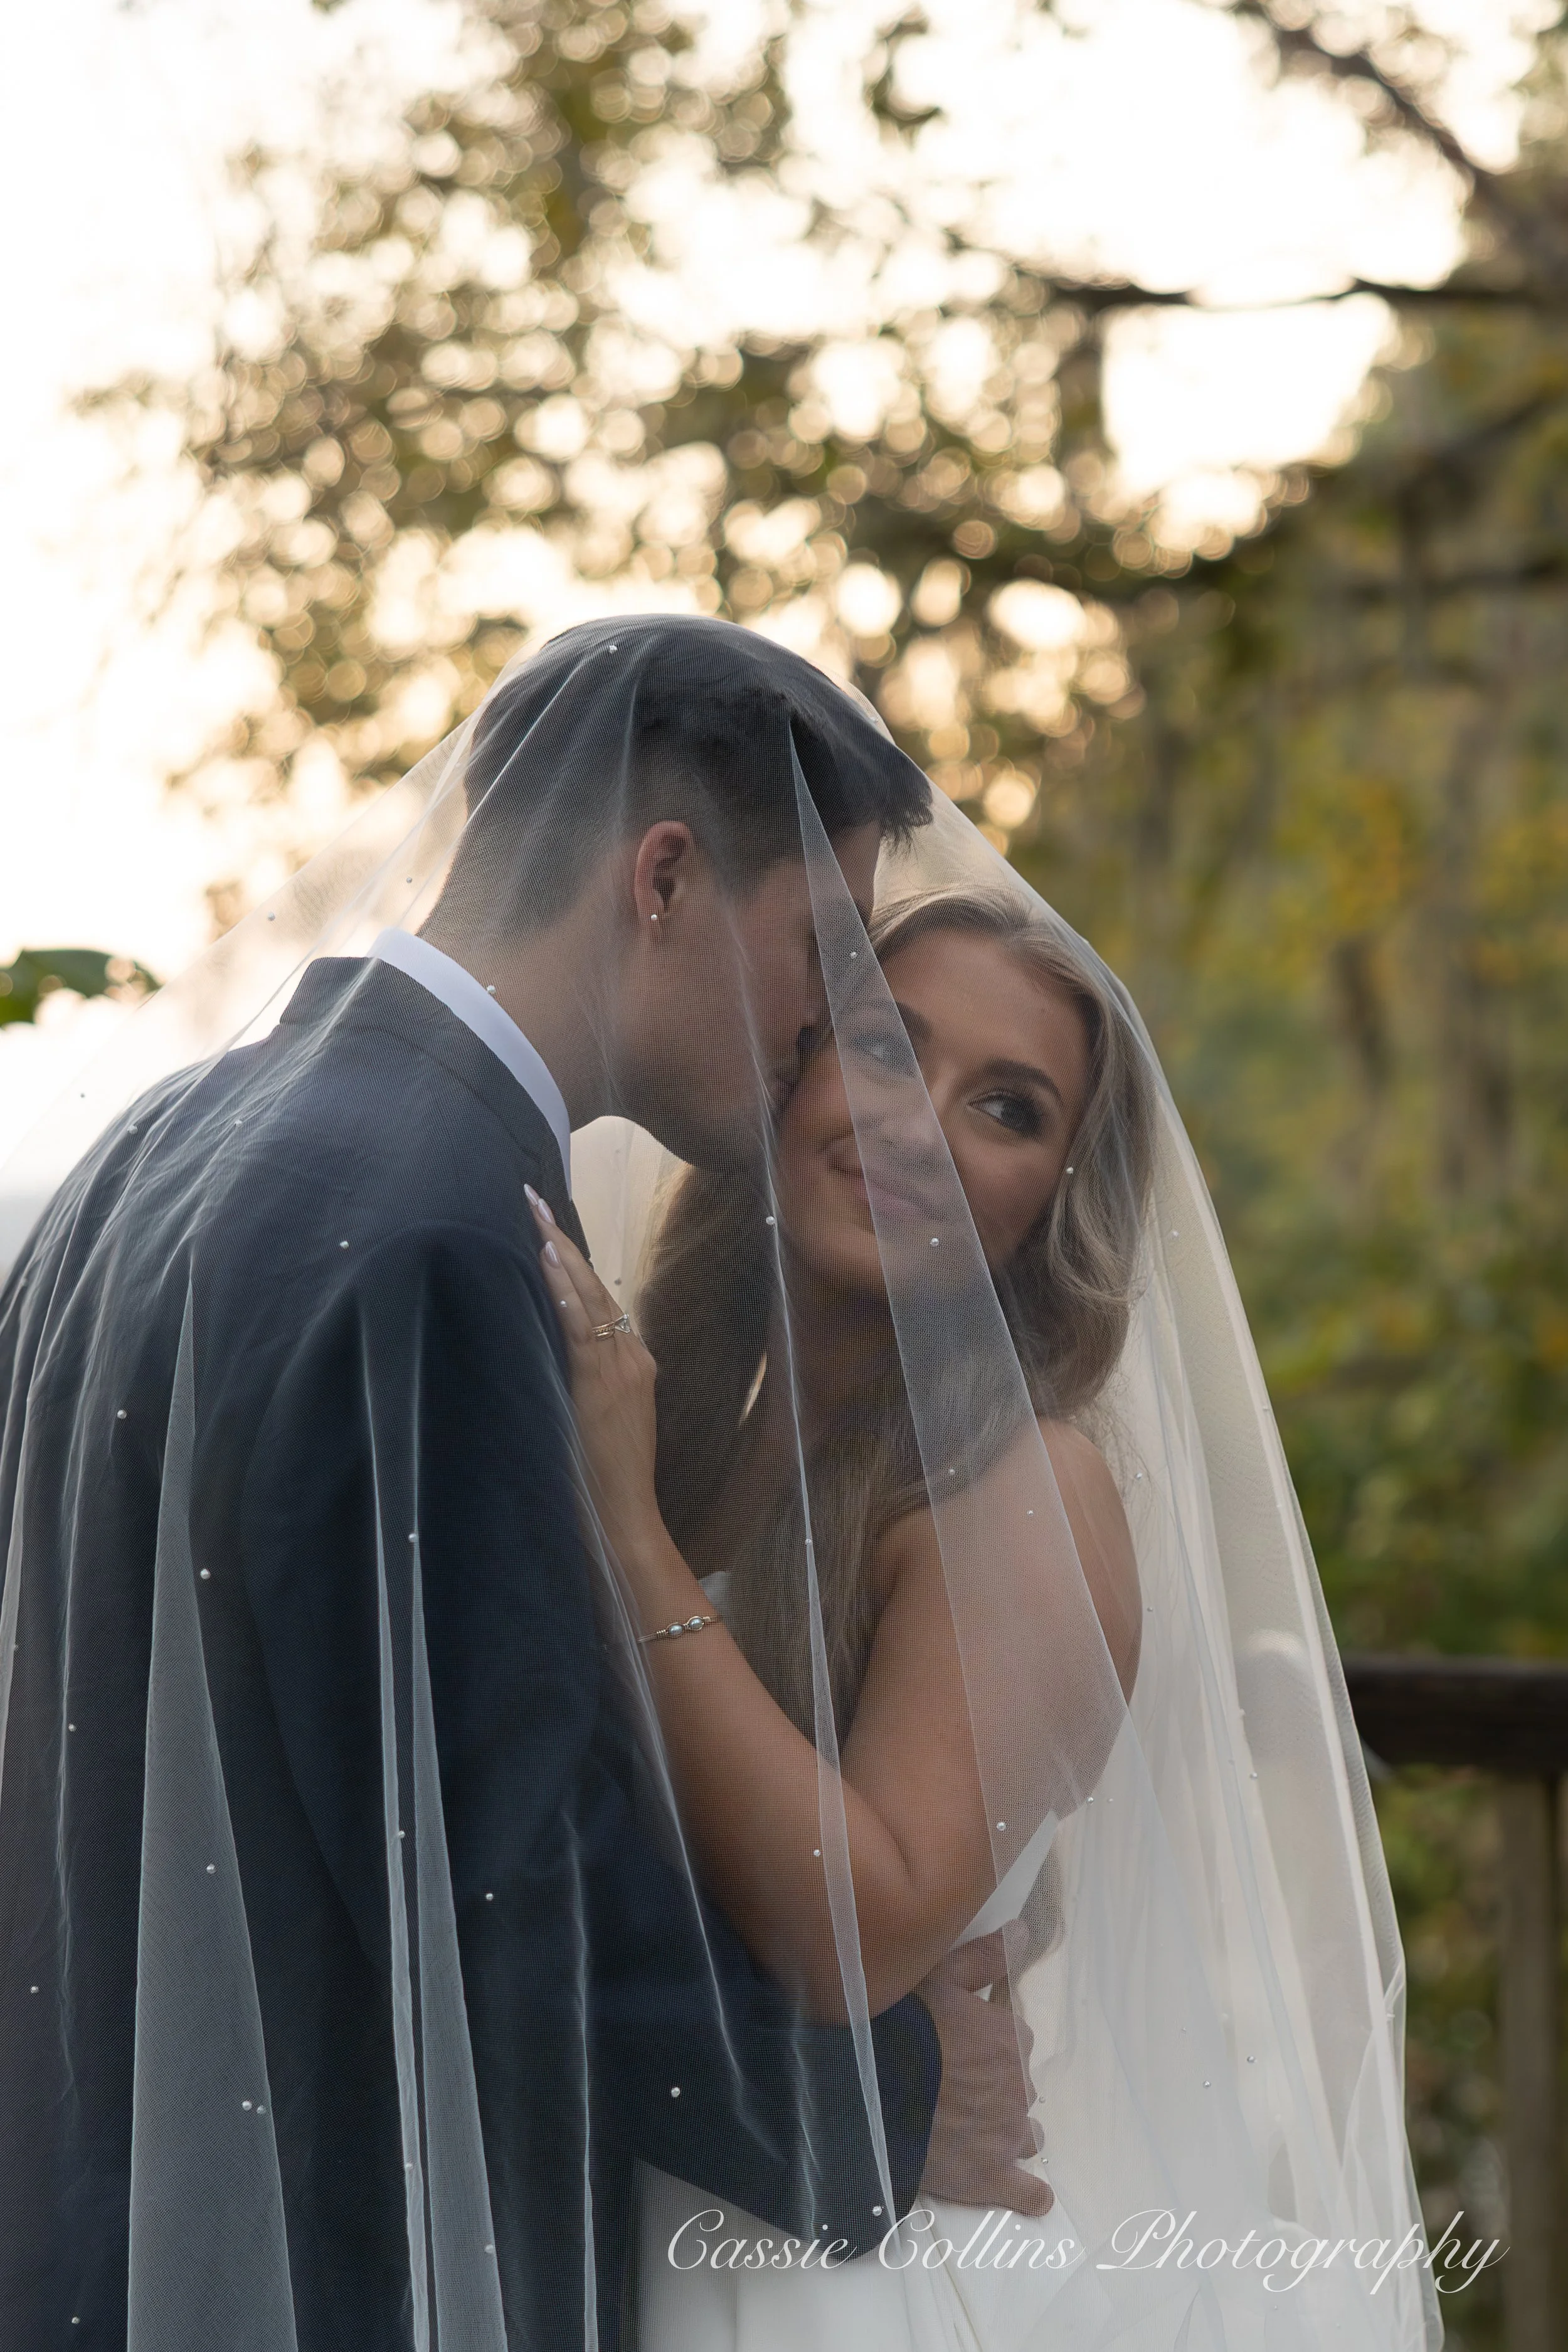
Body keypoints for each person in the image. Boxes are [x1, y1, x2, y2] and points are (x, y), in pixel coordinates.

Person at [0, 620, 1037, 2352]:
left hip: (84, 2210)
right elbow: (500, 1868)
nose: (820, 1026)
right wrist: (884, 2105)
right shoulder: (437, 1231)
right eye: (818, 950)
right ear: (661, 878)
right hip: (321, 2260)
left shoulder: (150, 1158)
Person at [531, 884, 1157, 2348]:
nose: (918, 1125)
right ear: (793, 1063)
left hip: (839, 2285)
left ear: (1050, 1200)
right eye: (884, 1049)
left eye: (1004, 1108)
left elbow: (853, 1939)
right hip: (656, 2209)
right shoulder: (681, 1416)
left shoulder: (1027, 1488)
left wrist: (624, 1536)